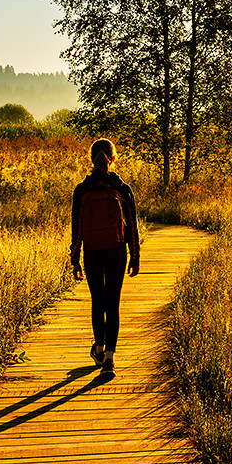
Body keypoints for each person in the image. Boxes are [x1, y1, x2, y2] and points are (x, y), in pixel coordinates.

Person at [70, 137, 140, 373]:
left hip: (92, 252)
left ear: (91, 159)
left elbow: (77, 228)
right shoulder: (122, 189)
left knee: (97, 301)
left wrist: (75, 259)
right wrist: (135, 256)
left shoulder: (82, 190)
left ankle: (98, 350)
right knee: (113, 302)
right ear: (113, 158)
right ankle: (109, 358)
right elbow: (131, 225)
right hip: (116, 250)